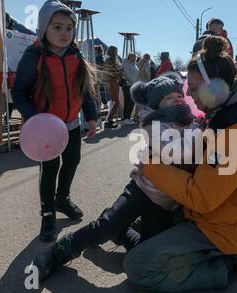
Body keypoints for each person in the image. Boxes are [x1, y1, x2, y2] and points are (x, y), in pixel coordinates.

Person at [121, 36, 237, 293]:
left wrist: (150, 166)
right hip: (215, 213)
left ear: (214, 86)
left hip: (223, 227)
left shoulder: (235, 134)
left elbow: (201, 196)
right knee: (141, 226)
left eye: (193, 88)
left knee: (138, 265)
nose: (189, 94)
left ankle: (224, 265)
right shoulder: (232, 107)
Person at [32, 72, 205, 280]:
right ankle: (58, 252)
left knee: (144, 249)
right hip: (142, 188)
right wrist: (203, 136)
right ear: (157, 105)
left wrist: (203, 129)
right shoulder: (154, 124)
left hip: (166, 201)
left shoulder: (190, 121)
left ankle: (121, 233)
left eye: (179, 95)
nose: (177, 99)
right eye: (169, 98)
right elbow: (173, 151)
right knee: (105, 225)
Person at [12, 0, 98, 242]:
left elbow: (86, 89)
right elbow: (19, 91)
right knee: (49, 169)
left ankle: (62, 199)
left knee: (72, 161)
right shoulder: (34, 55)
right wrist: (35, 118)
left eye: (69, 28)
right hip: (46, 130)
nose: (64, 33)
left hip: (71, 125)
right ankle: (47, 214)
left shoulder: (76, 55)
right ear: (43, 28)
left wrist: (91, 117)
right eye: (57, 27)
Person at [103, 46, 123, 128]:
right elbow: (112, 73)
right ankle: (108, 121)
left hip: (112, 81)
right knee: (116, 102)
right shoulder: (109, 60)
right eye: (115, 51)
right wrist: (120, 72)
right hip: (111, 82)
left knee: (115, 102)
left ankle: (109, 120)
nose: (116, 53)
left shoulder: (110, 60)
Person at [121, 53, 139, 125]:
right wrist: (133, 82)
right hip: (128, 85)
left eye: (135, 57)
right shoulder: (126, 63)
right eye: (132, 57)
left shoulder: (134, 64)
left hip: (133, 85)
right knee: (128, 101)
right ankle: (126, 118)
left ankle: (128, 118)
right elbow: (126, 74)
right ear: (129, 57)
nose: (134, 58)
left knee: (132, 102)